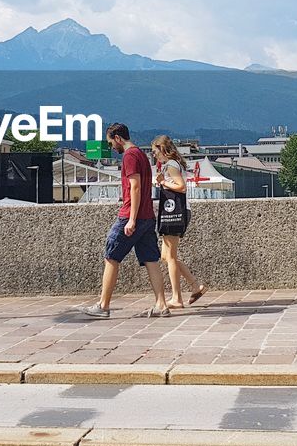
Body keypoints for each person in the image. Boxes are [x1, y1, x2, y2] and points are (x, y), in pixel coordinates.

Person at [77, 122, 171, 319]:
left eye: (112, 143)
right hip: (147, 216)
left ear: (118, 138)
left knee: (111, 256)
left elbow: (134, 187)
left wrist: (131, 220)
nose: (112, 147)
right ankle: (161, 304)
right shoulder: (142, 155)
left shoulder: (129, 156)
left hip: (131, 214)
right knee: (151, 260)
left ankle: (103, 305)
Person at [151, 135, 206, 309]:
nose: (154, 155)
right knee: (166, 256)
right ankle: (195, 285)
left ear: (162, 149)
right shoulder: (173, 164)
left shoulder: (171, 165)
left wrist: (163, 182)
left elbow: (181, 187)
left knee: (171, 257)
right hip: (177, 212)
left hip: (175, 213)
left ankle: (177, 297)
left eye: (155, 151)